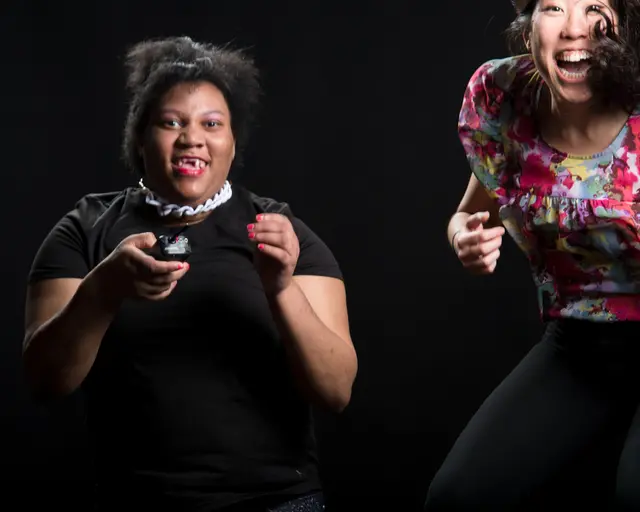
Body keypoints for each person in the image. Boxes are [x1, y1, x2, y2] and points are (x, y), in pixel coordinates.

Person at [23, 36, 357, 512]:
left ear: (232, 141)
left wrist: (280, 288)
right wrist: (103, 290)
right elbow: (43, 380)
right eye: (170, 122)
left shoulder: (281, 231)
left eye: (211, 124)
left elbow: (336, 391)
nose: (191, 138)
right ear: (141, 138)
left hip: (274, 501)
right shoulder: (85, 230)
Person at [425, 0, 640, 510]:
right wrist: (464, 239)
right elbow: (465, 215)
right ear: (528, 29)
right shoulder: (503, 99)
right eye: (553, 8)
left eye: (593, 7)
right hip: (579, 347)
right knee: (457, 500)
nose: (572, 28)